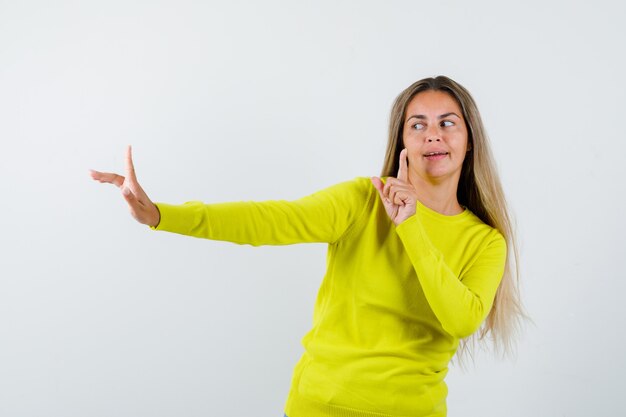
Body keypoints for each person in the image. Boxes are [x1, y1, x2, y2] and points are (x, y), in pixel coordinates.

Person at [90, 75, 524, 417]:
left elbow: (461, 319)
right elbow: (270, 220)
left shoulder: (485, 241)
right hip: (318, 407)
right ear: (403, 141)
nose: (433, 135)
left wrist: (410, 225)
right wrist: (162, 215)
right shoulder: (361, 201)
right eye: (418, 124)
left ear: (469, 139)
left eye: (447, 123)